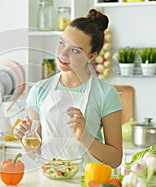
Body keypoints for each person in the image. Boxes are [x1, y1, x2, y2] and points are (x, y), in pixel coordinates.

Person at [14, 9, 123, 168]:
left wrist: (84, 137)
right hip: (49, 184)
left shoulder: (105, 93)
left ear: (91, 57)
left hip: (89, 184)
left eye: (75, 50)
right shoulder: (39, 90)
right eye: (62, 43)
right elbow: (36, 154)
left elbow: (115, 159)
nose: (62, 54)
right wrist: (22, 138)